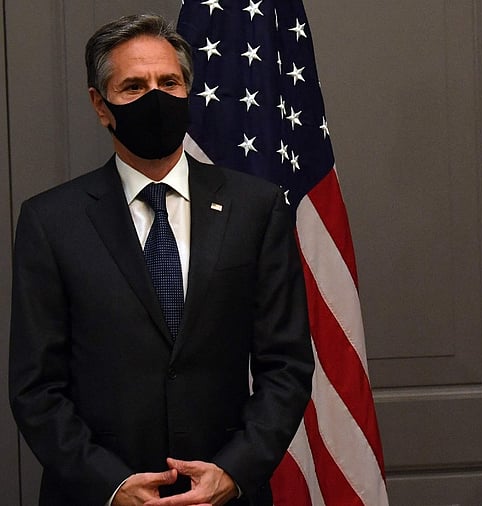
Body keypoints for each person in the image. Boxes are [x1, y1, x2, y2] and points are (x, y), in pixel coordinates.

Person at [8, 14, 314, 506]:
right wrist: (111, 484)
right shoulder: (50, 221)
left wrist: (234, 471)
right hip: (97, 494)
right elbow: (35, 387)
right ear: (101, 105)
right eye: (133, 87)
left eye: (168, 83)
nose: (156, 98)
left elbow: (287, 364)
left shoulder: (256, 208)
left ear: (187, 90)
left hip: (225, 493)